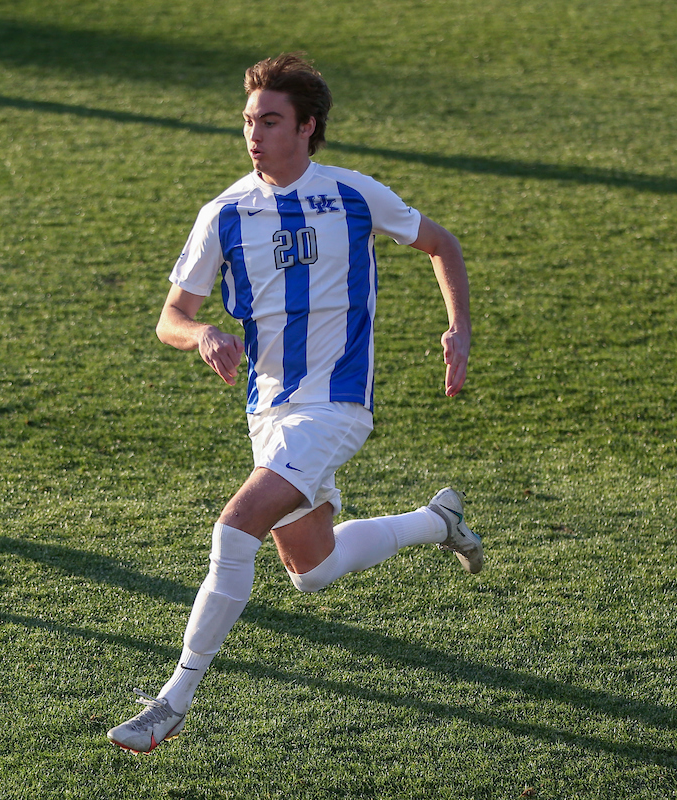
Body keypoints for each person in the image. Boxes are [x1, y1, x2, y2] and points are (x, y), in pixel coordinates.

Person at [107, 52, 481, 753]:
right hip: (269, 410)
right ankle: (439, 521)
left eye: (270, 121)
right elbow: (170, 315)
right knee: (312, 569)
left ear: (308, 128)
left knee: (236, 524)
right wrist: (202, 335)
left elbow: (440, 244)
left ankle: (171, 700)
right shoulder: (223, 213)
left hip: (337, 405)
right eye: (249, 120)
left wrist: (458, 329)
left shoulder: (354, 195)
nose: (254, 133)